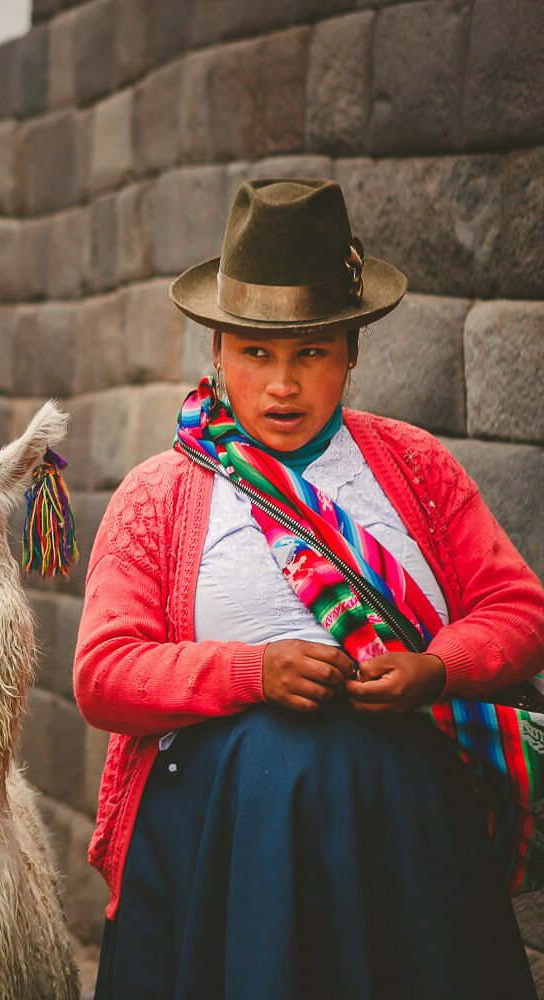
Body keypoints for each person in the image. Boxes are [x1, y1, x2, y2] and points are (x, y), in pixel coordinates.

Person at [76, 178, 544, 999]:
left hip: (402, 843)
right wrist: (252, 673)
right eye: (255, 353)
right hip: (227, 841)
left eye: (312, 353)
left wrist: (436, 669)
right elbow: (105, 673)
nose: (282, 385)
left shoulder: (415, 469)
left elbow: (517, 610)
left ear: (353, 351)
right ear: (217, 350)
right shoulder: (160, 495)